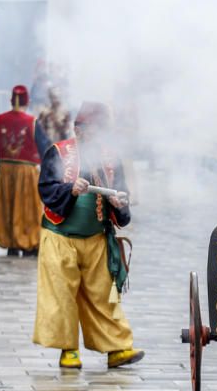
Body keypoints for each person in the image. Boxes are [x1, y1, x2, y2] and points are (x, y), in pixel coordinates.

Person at [34, 101, 144, 370]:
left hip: (96, 239)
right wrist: (70, 190)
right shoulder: (58, 153)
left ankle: (117, 348)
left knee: (104, 295)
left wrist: (120, 204)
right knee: (61, 296)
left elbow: (122, 193)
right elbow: (46, 190)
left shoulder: (110, 158)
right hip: (60, 236)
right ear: (79, 130)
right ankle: (68, 350)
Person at [0, 85, 43, 257]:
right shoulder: (32, 121)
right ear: (27, 101)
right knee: (28, 207)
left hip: (5, 170)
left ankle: (11, 243)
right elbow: (44, 146)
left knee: (8, 205)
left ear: (11, 100)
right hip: (27, 171)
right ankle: (29, 243)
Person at [35, 85, 72, 158]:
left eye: (57, 97)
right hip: (47, 148)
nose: (55, 99)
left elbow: (67, 133)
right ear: (50, 98)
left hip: (60, 148)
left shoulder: (65, 113)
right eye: (53, 97)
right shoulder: (44, 113)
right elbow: (40, 132)